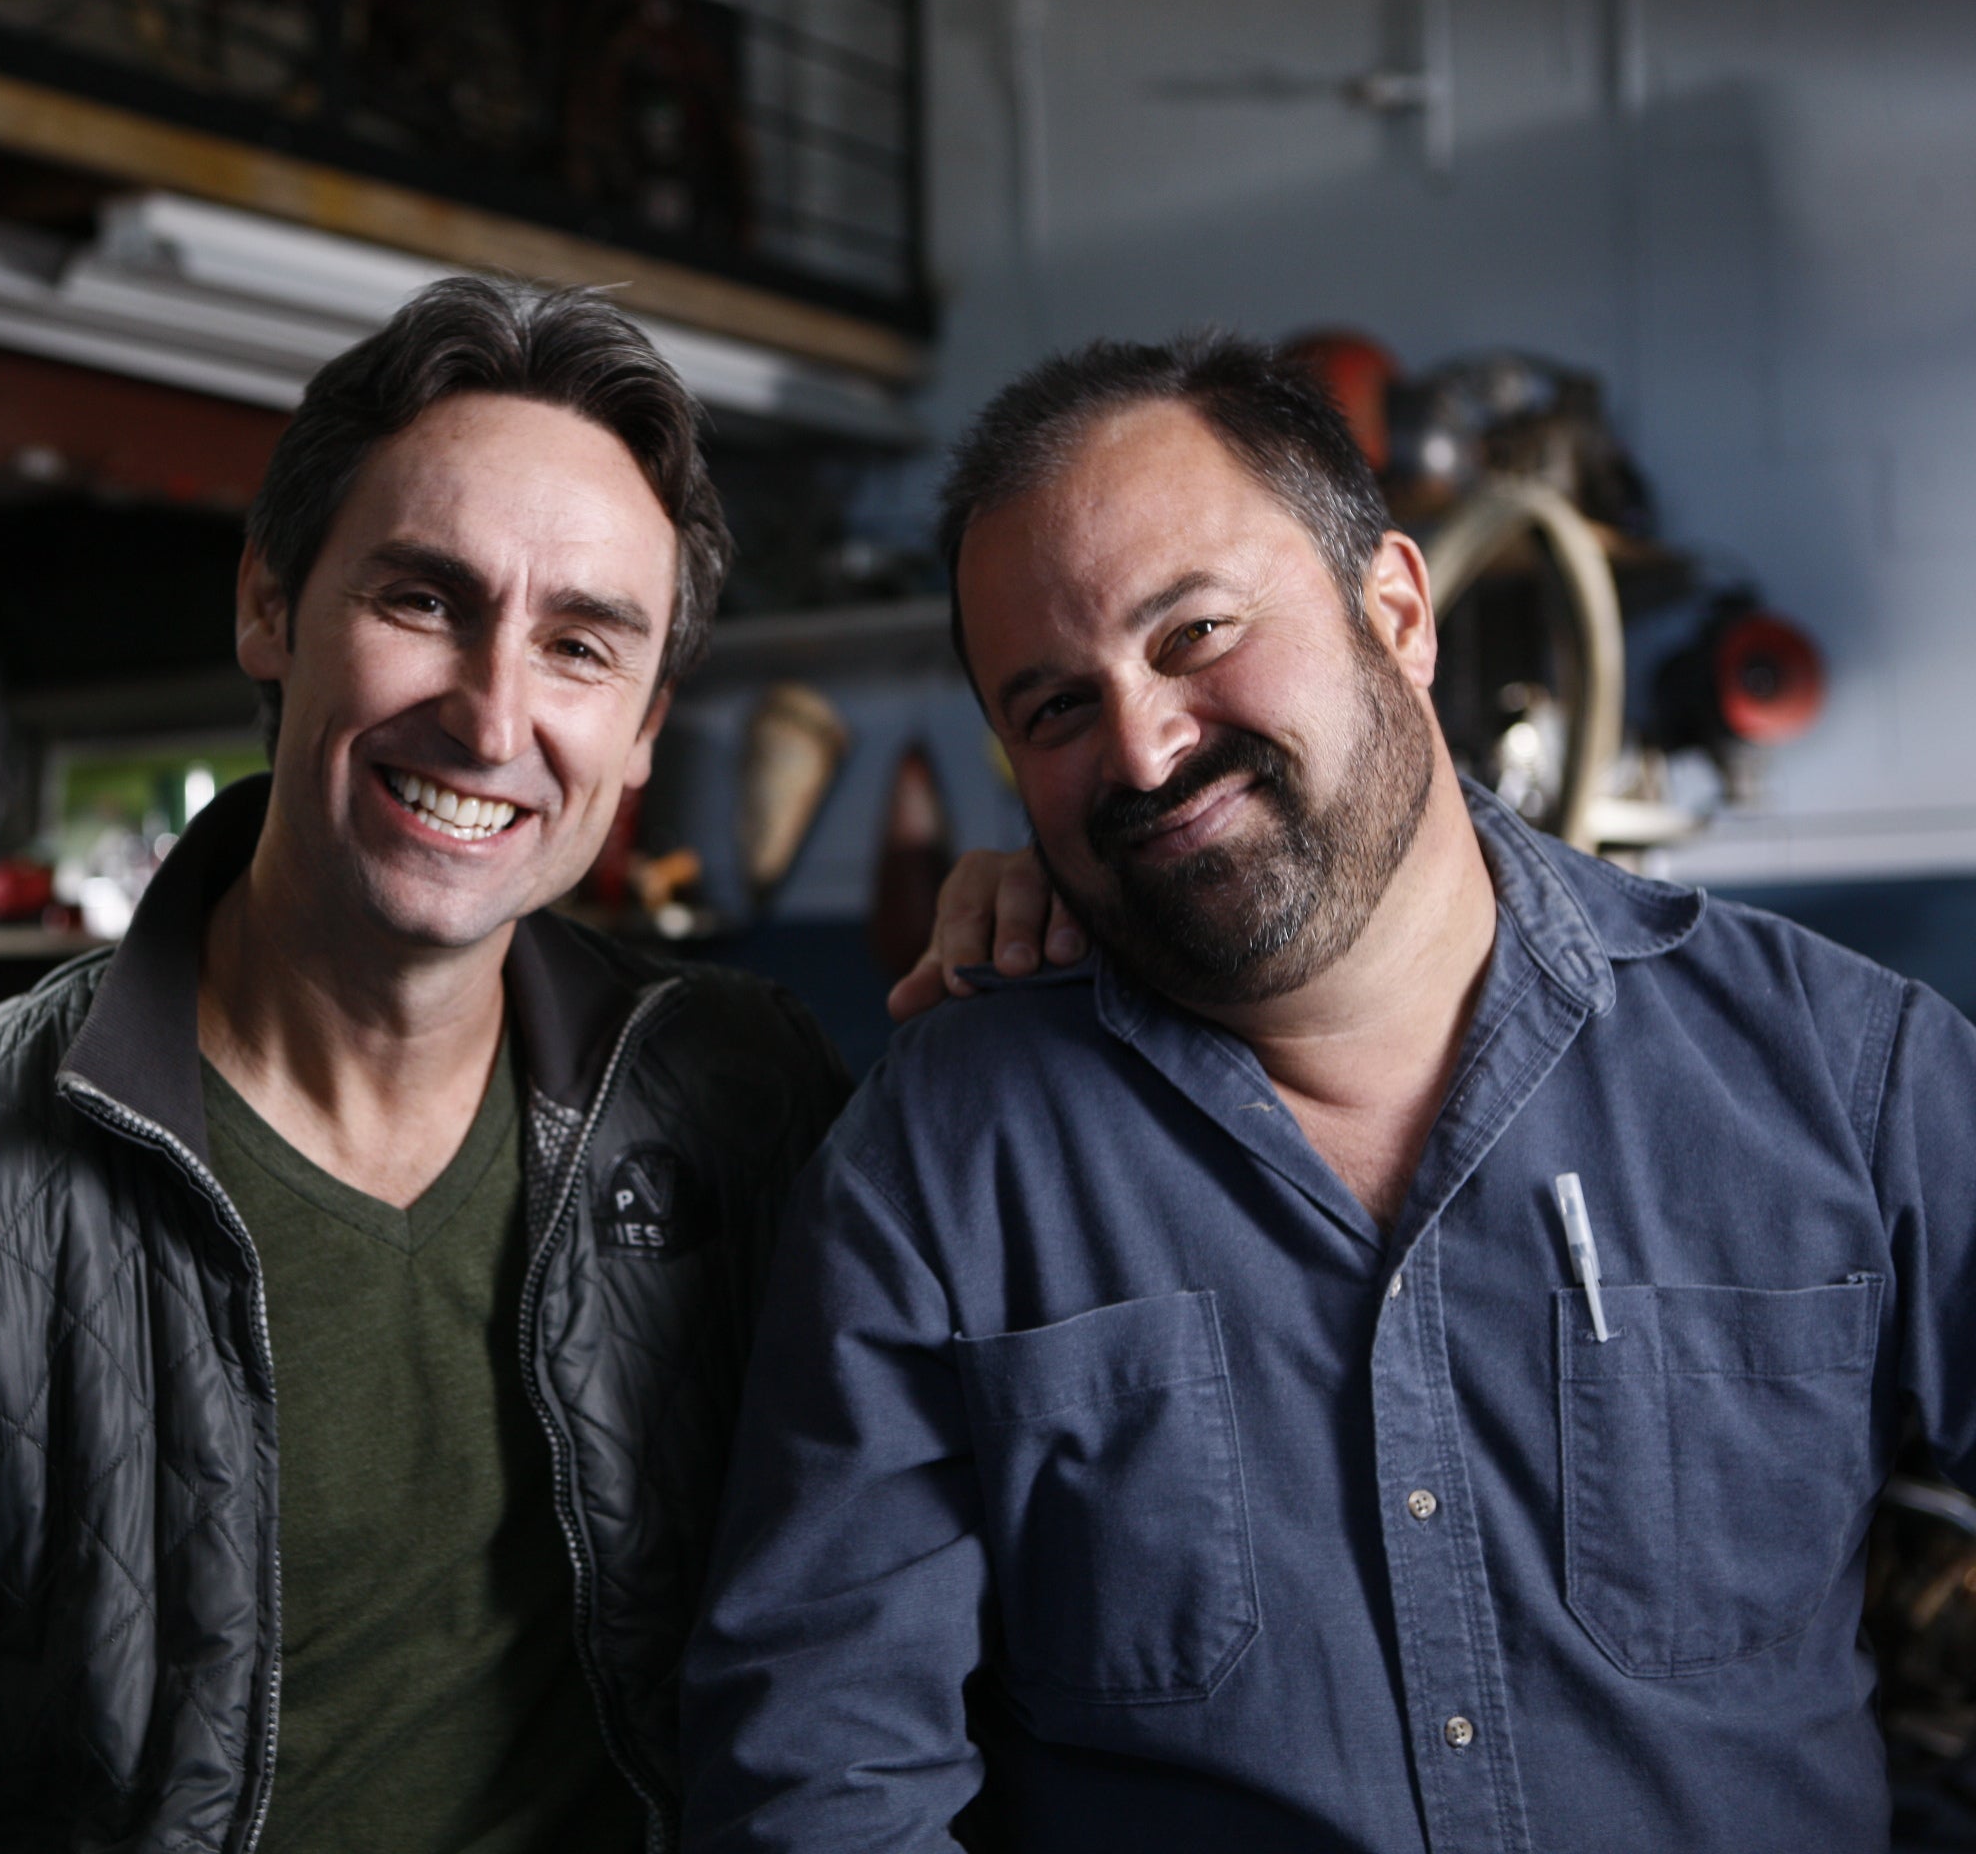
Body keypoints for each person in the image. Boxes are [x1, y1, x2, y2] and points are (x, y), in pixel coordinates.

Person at [0, 277, 861, 1852]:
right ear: (269, 606)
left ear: (648, 726)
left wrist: (1043, 941)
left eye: (582, 645)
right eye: (423, 601)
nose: (492, 715)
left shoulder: (742, 1103)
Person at [682, 332, 1976, 1853]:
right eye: (1054, 710)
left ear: (1399, 612)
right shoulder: (944, 1161)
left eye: (1194, 633)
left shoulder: (1840, 1071)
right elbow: (824, 1778)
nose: (1144, 747)